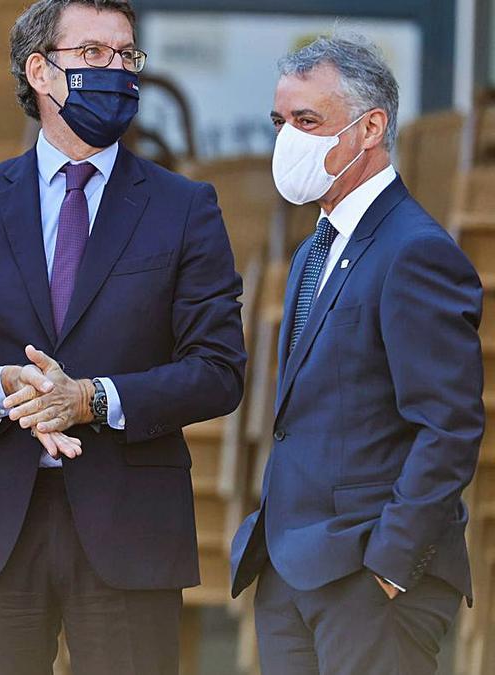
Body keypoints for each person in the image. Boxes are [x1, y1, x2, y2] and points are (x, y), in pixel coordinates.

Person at [0, 1, 246, 672]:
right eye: (93, 53)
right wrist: (3, 388)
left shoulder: (184, 208)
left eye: (127, 55)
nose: (116, 69)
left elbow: (219, 369)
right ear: (40, 71)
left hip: (131, 527)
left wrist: (91, 398)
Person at [229, 36, 484, 675]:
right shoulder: (318, 247)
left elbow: (449, 426)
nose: (288, 139)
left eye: (307, 121)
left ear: (370, 128)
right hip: (292, 574)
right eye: (280, 122)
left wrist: (391, 569)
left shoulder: (414, 251)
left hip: (368, 582)